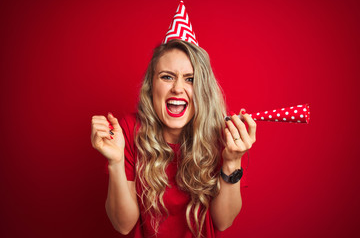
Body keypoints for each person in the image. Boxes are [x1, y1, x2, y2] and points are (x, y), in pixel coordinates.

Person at [91, 39, 256, 238]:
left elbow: (224, 221)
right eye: (167, 77)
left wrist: (232, 161)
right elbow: (123, 225)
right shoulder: (128, 129)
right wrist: (115, 162)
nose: (178, 88)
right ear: (151, 86)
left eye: (190, 79)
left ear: (203, 89)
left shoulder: (223, 136)